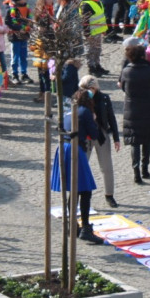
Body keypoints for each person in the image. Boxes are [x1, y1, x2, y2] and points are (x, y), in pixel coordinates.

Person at [53, 90, 104, 244]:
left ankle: (72, 225)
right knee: (85, 190)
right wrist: (94, 120)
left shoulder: (69, 111)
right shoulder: (85, 112)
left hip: (64, 148)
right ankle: (86, 229)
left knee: (74, 190)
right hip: (75, 148)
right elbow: (94, 134)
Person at [119, 42, 150, 184]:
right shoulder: (149, 70)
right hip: (148, 107)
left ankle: (136, 172)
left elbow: (123, 87)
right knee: (146, 140)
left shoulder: (127, 71)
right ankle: (145, 169)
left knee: (134, 142)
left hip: (132, 109)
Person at [79, 75, 120, 208]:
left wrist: (116, 138)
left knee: (107, 167)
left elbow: (111, 118)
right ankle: (79, 194)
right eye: (84, 88)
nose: (87, 91)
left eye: (90, 88)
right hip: (85, 136)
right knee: (81, 167)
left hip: (101, 134)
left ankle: (109, 195)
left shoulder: (104, 98)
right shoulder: (79, 98)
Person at [79, 0, 109, 76]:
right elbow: (85, 21)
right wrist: (87, 34)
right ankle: (91, 68)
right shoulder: (86, 4)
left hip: (98, 31)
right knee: (90, 51)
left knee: (97, 50)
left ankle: (97, 65)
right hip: (91, 32)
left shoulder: (96, 0)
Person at [5, 0, 32, 84]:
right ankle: (14, 74)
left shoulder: (26, 8)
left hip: (24, 36)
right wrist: (18, 28)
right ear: (18, 0)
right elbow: (8, 21)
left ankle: (24, 73)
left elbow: (29, 19)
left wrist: (28, 27)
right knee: (15, 56)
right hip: (15, 36)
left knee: (24, 56)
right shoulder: (11, 9)